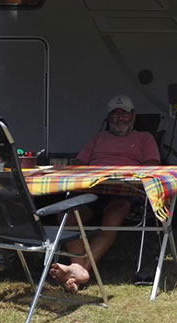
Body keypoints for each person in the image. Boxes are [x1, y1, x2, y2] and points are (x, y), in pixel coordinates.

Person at [49, 94, 160, 293]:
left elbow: (152, 167)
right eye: (115, 115)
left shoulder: (144, 138)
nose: (119, 119)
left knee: (114, 215)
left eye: (124, 114)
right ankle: (79, 271)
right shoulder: (98, 137)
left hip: (126, 191)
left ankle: (78, 269)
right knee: (66, 216)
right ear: (109, 118)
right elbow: (79, 164)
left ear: (133, 116)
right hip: (94, 189)